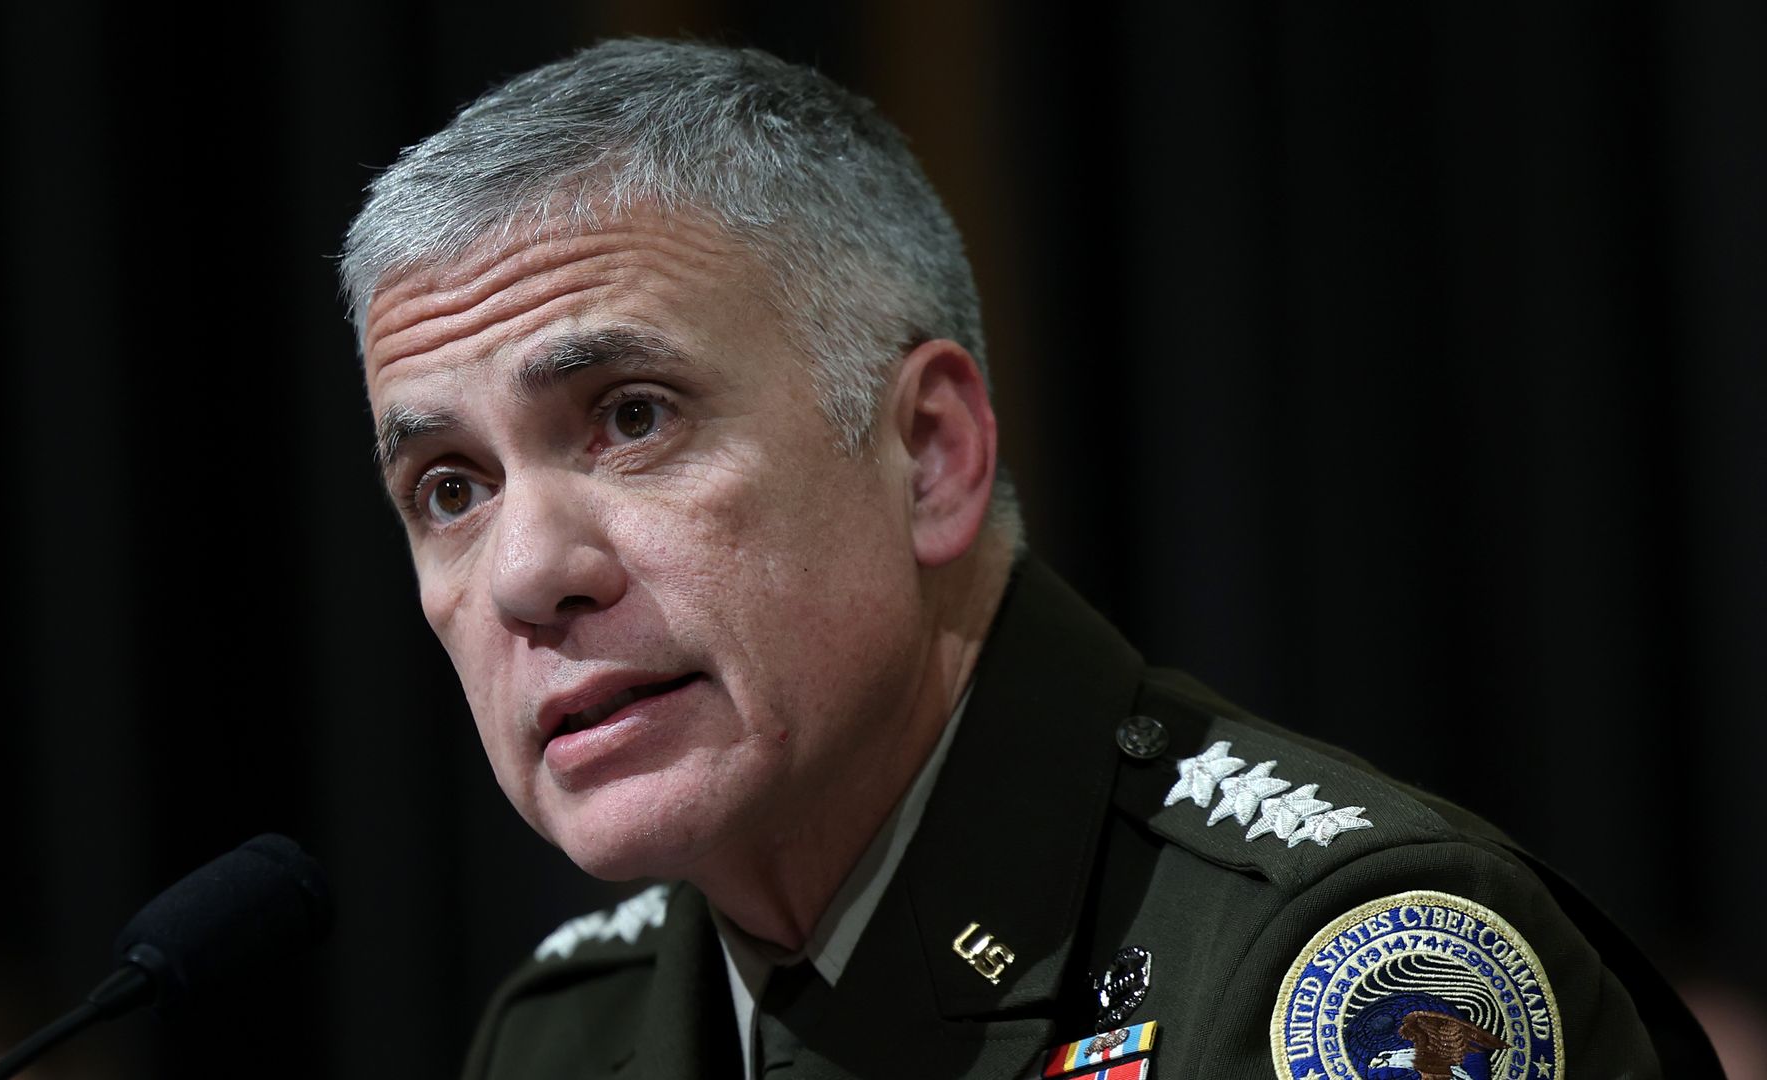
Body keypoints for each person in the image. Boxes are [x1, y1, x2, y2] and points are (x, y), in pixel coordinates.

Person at [338, 39, 1719, 1080]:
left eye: (634, 418)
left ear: (930, 455)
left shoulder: (1337, 973)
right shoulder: (559, 1037)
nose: (526, 573)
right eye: (449, 488)